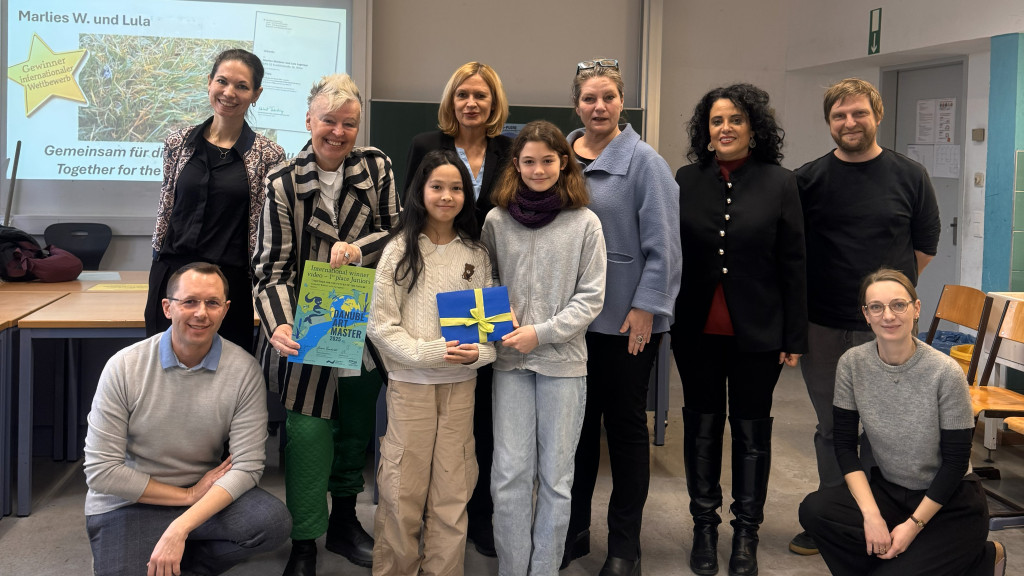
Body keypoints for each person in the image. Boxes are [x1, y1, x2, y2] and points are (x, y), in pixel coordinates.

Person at [253, 73, 400, 576]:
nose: (338, 132)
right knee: (309, 433)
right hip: (308, 325)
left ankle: (344, 523)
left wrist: (360, 249)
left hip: (362, 324)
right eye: (329, 122)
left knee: (356, 430)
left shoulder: (376, 166)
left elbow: (396, 231)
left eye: (349, 124)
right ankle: (303, 540)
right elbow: (269, 270)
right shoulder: (281, 182)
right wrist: (278, 326)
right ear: (309, 121)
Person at [790, 78, 941, 556]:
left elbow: (924, 247)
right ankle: (834, 517)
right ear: (829, 123)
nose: (849, 123)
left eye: (859, 113)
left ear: (877, 116)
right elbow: (793, 251)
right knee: (834, 427)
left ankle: (883, 516)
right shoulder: (807, 180)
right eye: (839, 115)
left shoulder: (910, 175)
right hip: (823, 324)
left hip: (886, 328)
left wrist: (887, 304)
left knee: (885, 426)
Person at [671, 84, 807, 576]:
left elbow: (794, 263)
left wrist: (794, 336)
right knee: (701, 428)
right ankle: (704, 529)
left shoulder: (780, 182)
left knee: (753, 433)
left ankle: (745, 533)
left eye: (735, 120)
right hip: (696, 330)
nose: (724, 128)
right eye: (715, 121)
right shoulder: (686, 179)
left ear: (754, 128)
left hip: (759, 332)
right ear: (705, 132)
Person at [84, 262, 290, 576]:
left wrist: (181, 525)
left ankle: (187, 557)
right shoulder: (124, 367)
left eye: (212, 303)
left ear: (226, 310)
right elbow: (102, 472)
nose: (201, 313)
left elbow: (248, 467)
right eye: (189, 301)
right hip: (129, 502)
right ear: (167, 307)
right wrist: (187, 496)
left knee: (272, 523)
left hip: (203, 499)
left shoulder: (243, 370)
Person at [799, 268, 1006, 576]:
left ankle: (983, 558)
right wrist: (871, 516)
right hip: (891, 492)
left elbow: (954, 463)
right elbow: (844, 446)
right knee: (815, 510)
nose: (888, 316)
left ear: (916, 308)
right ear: (866, 315)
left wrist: (912, 526)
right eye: (877, 307)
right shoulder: (852, 365)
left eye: (898, 304)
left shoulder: (944, 372)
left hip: (950, 502)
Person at [563, 59, 681, 576]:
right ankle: (573, 532)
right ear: (577, 106)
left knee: (626, 432)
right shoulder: (558, 157)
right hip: (569, 324)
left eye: (608, 97)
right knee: (578, 432)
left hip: (623, 325)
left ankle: (624, 547)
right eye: (589, 99)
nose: (599, 107)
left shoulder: (646, 163)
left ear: (622, 102)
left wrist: (647, 309)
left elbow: (665, 247)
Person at [482, 120, 606, 576]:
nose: (538, 169)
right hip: (510, 363)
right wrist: (501, 316)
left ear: (563, 162)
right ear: (516, 164)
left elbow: (591, 297)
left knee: (556, 479)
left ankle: (545, 569)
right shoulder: (497, 220)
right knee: (510, 476)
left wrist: (543, 332)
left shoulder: (586, 223)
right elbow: (486, 278)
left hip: (564, 365)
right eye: (529, 161)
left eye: (548, 161)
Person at [368, 149, 496, 575]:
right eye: (437, 186)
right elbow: (380, 326)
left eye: (457, 188)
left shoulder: (476, 255)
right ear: (420, 192)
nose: (447, 196)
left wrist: (479, 353)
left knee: (453, 491)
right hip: (411, 387)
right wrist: (432, 352)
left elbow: (491, 333)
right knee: (402, 490)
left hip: (461, 389)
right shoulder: (399, 251)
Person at [403, 61, 513, 556]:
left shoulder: (510, 151)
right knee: (432, 413)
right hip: (433, 280)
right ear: (452, 101)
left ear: (494, 105)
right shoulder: (427, 145)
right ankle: (424, 517)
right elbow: (410, 210)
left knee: (480, 410)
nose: (472, 103)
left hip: (485, 281)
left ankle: (480, 517)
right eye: (464, 94)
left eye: (481, 96)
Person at [145, 49, 285, 352]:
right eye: (222, 81)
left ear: (256, 94)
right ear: (209, 82)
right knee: (161, 370)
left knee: (225, 376)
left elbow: (264, 229)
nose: (229, 93)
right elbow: (167, 206)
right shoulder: (177, 142)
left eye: (242, 86)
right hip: (172, 278)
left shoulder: (269, 156)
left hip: (229, 284)